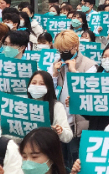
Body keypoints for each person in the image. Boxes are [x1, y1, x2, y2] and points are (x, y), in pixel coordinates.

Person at [51, 31, 97, 172]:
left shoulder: (89, 66)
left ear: (75, 46)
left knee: (75, 162)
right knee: (60, 162)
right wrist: (54, 74)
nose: (62, 53)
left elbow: (88, 93)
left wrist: (73, 71)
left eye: (65, 49)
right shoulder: (57, 64)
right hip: (60, 123)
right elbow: (49, 92)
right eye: (59, 50)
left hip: (78, 124)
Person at [26, 71, 72, 144]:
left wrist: (60, 131)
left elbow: (68, 136)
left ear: (49, 87)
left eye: (42, 84)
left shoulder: (56, 106)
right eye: (34, 83)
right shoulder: (22, 104)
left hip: (47, 149)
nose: (37, 86)